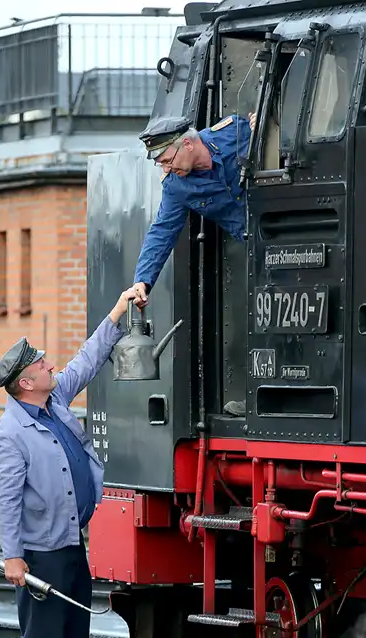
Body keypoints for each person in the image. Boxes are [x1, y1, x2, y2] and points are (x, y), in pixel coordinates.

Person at [0, 289, 136, 638]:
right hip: (40, 552)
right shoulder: (11, 432)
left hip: (71, 541)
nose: (50, 365)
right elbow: (8, 498)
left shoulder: (53, 404)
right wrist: (13, 557)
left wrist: (118, 310)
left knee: (74, 635)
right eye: (39, 365)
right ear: (24, 383)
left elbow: (89, 358)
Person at [131, 112, 256, 417]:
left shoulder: (236, 131)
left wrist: (266, 122)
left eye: (165, 158)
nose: (164, 166)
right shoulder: (176, 187)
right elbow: (161, 232)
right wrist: (142, 280)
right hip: (255, 246)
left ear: (187, 143)